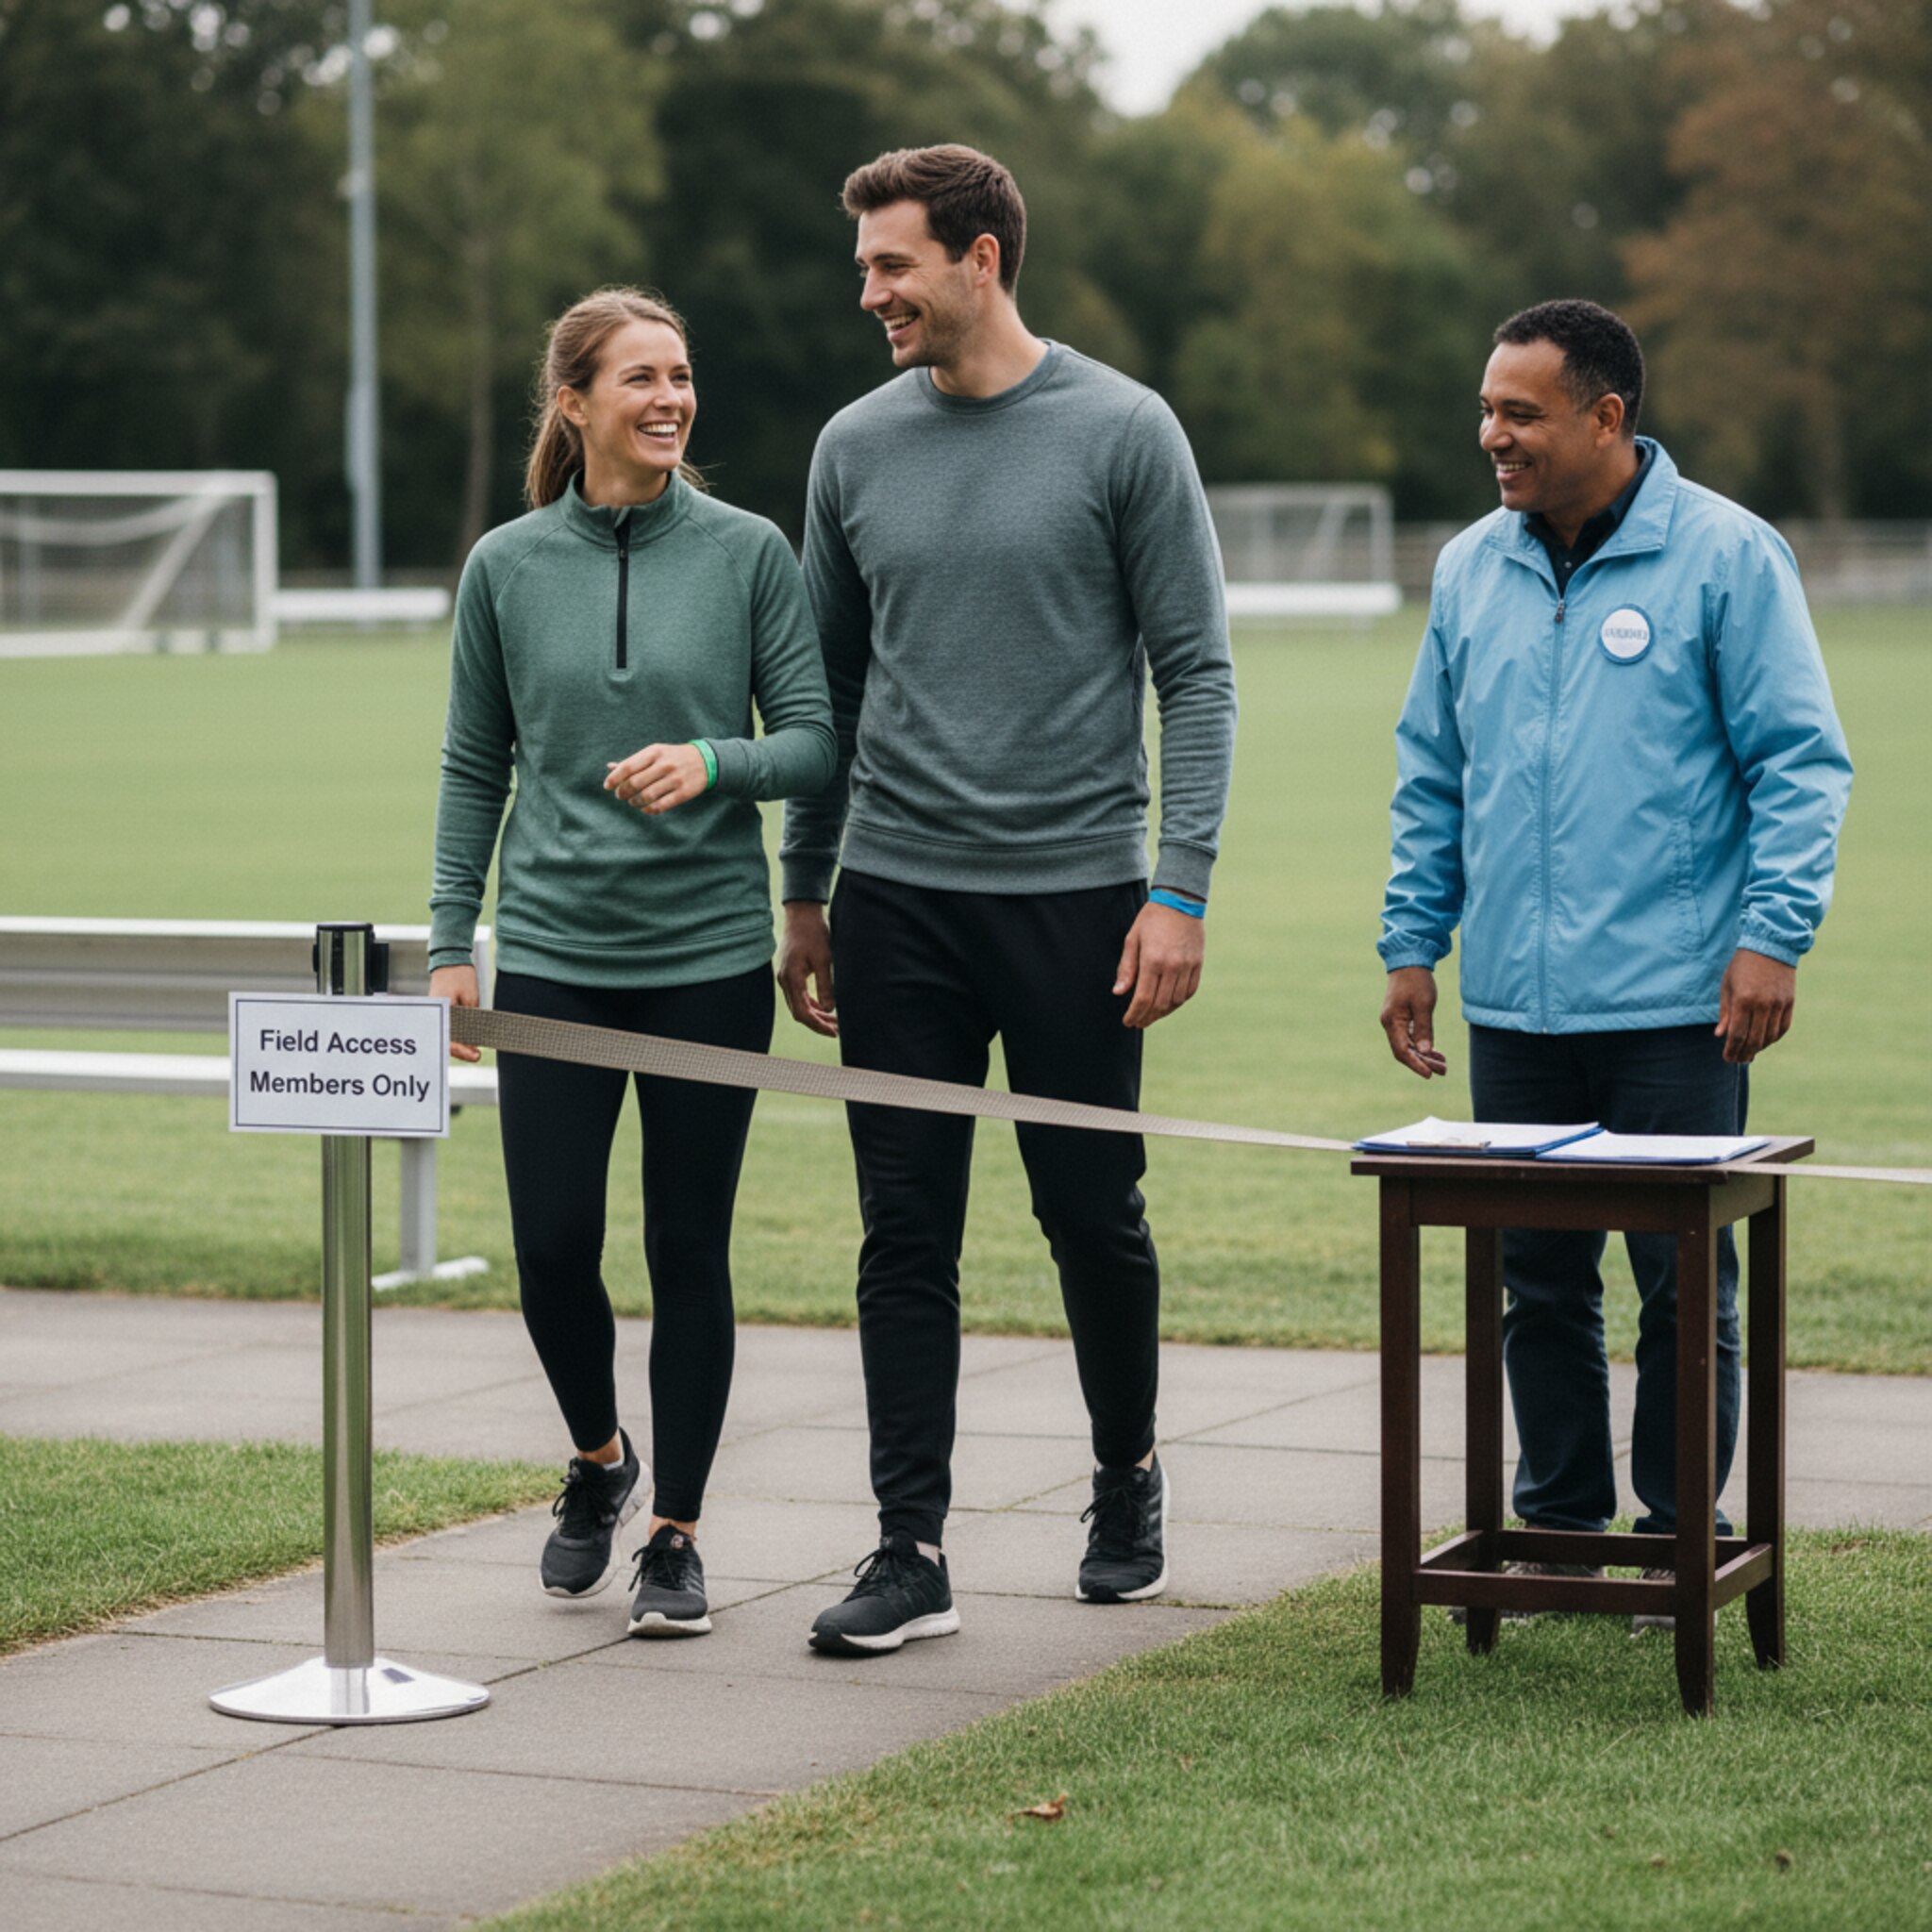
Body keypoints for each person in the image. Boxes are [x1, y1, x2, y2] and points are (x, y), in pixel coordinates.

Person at [777, 145, 1238, 1656]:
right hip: (898, 896)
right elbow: (826, 692)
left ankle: (1126, 1478)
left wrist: (1179, 887)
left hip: (1079, 899)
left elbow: (1198, 674)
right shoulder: (852, 446)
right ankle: (910, 1546)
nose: (872, 295)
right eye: (865, 268)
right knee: (901, 1225)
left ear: (981, 258)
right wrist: (806, 890)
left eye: (894, 265)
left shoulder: (1123, 430)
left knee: (1088, 1212)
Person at [1377, 299, 1851, 1629]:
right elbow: (1433, 773)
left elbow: (1802, 767)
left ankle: (1678, 1535)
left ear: (1606, 417)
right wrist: (1415, 942)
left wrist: (1772, 939)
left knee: (1680, 1284)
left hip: (1677, 1007)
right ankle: (1562, 1531)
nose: (1492, 436)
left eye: (1520, 413)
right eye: (1486, 410)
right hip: (1518, 1010)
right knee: (1537, 1281)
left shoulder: (1726, 559)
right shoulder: (1473, 567)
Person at [426, 287, 835, 1639]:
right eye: (640, 378)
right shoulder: (505, 566)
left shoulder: (747, 553)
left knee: (687, 1248)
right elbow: (473, 766)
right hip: (549, 953)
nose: (670, 398)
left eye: (681, 375)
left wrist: (715, 761)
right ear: (576, 400)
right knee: (550, 1246)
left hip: (706, 959)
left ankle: (678, 1535)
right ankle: (601, 1463)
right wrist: (448, 946)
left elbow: (820, 741)